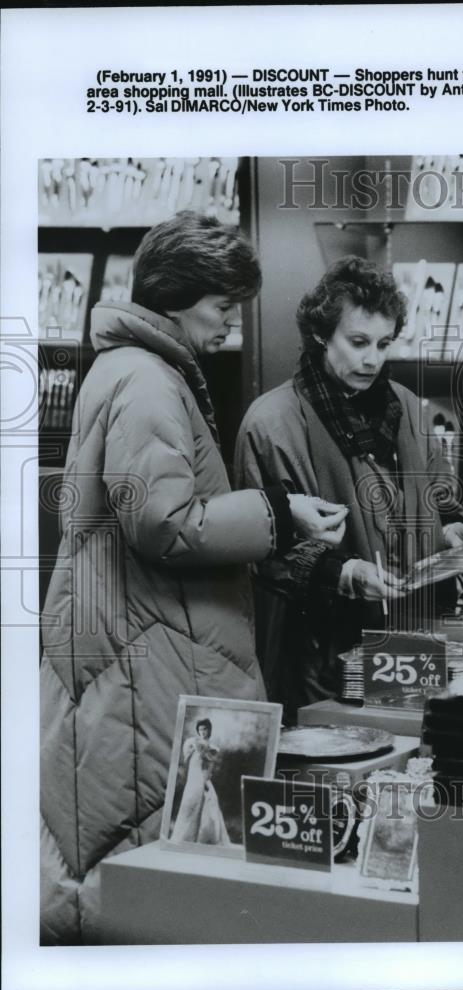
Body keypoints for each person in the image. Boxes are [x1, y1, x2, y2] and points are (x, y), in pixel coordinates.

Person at [40, 211, 347, 944]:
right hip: (147, 661)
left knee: (128, 849)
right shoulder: (147, 380)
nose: (229, 324)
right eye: (221, 306)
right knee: (144, 864)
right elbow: (165, 522)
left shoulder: (131, 370)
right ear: (179, 298)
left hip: (134, 646)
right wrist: (278, 510)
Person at [234, 255, 463, 717]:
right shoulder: (270, 424)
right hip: (320, 661)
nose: (372, 359)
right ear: (321, 335)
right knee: (337, 775)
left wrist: (453, 535)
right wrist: (346, 574)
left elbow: (440, 499)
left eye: (383, 343)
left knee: (408, 763)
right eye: (357, 342)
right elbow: (261, 555)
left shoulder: (411, 410)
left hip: (411, 647)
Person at [170, 719, 229, 846]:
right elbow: (187, 761)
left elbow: (210, 767)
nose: (203, 732)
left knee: (206, 803)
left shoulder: (213, 748)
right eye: (201, 729)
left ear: (209, 730)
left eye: (205, 729)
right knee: (188, 804)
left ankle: (202, 837)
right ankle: (185, 836)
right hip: (192, 780)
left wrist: (205, 780)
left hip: (202, 779)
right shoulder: (191, 743)